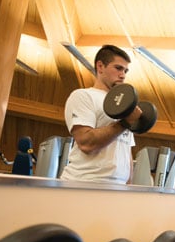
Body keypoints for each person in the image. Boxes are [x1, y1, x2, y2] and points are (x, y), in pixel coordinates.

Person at [60, 45, 142, 184]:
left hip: (116, 188)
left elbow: (126, 152)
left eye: (126, 70)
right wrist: (125, 123)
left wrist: (128, 187)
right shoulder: (83, 96)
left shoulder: (125, 106)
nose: (123, 75)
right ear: (100, 66)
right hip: (83, 183)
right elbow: (86, 143)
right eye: (118, 68)